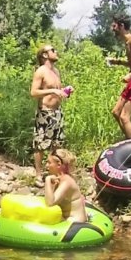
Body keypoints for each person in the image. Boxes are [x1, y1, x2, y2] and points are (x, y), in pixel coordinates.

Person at [30, 43, 72, 182]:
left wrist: (65, 90)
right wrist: (52, 91)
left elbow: (57, 90)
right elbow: (34, 92)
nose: (56, 51)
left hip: (57, 112)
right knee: (41, 144)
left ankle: (55, 172)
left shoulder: (56, 71)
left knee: (57, 144)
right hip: (45, 112)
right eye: (52, 50)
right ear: (45, 55)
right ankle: (38, 175)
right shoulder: (40, 71)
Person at [43, 149, 89, 224]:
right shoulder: (57, 179)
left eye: (49, 163)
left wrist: (47, 180)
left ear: (58, 164)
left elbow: (50, 203)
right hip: (65, 219)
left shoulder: (66, 181)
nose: (46, 166)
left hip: (75, 222)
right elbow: (48, 199)